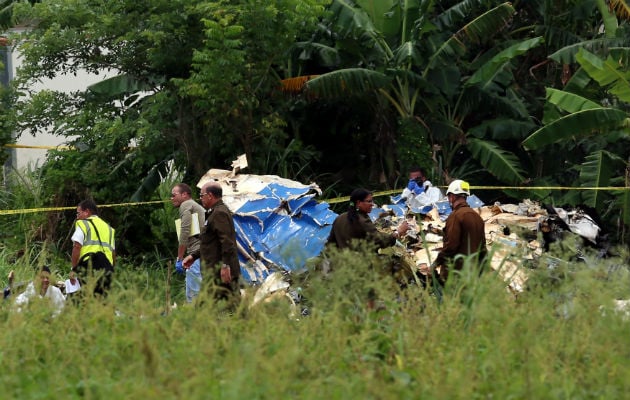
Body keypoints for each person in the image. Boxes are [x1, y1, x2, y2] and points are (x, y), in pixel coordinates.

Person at [183, 182, 240, 305]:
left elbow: (227, 242)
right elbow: (210, 243)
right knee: (230, 307)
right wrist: (194, 256)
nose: (200, 198)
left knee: (220, 307)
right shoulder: (214, 213)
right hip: (213, 272)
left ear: (210, 195)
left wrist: (225, 266)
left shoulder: (219, 213)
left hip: (220, 273)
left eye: (202, 195)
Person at [431, 179, 487, 283]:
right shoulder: (477, 217)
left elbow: (451, 246)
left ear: (452, 196)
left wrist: (436, 263)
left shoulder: (456, 216)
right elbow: (483, 248)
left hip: (456, 276)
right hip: (472, 275)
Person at [328, 188, 409, 250]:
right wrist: (398, 232)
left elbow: (330, 244)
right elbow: (379, 241)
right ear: (359, 203)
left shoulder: (339, 218)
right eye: (369, 201)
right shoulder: (362, 220)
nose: (372, 204)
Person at [71, 199, 116, 296]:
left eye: (78, 213)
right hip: (107, 271)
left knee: (87, 299)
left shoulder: (83, 224)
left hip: (89, 269)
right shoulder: (109, 229)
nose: (77, 217)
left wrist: (74, 269)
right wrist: (112, 270)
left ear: (87, 212)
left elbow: (77, 246)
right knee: (102, 301)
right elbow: (113, 253)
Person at [171, 183, 206, 303]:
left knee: (193, 295)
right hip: (204, 252)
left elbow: (184, 231)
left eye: (174, 195)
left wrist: (179, 258)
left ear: (184, 194)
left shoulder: (186, 205)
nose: (171, 198)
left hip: (196, 254)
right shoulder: (196, 206)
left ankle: (195, 319)